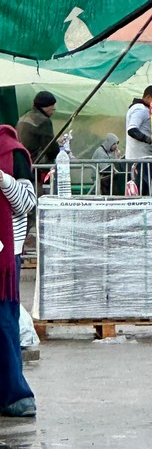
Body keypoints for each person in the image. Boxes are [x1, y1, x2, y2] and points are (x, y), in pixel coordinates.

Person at [0, 124, 36, 418]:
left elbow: (27, 203)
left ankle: (16, 396)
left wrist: (3, 180)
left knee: (4, 325)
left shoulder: (12, 153)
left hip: (4, 259)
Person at [125, 85, 152, 195]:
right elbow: (132, 130)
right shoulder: (140, 109)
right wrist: (149, 139)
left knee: (143, 189)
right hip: (139, 159)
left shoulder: (142, 109)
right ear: (149, 97)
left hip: (142, 158)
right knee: (142, 190)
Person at [16, 90, 57, 165]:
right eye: (52, 105)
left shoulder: (23, 118)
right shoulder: (43, 121)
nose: (54, 109)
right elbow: (50, 147)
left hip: (23, 161)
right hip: (37, 163)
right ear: (46, 106)